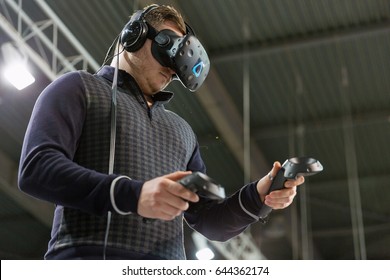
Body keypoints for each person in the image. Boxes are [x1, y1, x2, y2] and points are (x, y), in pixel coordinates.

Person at [18, 4, 304, 260]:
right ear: (135, 35)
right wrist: (133, 194)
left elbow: (209, 221)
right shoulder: (78, 88)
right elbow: (36, 168)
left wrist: (258, 196)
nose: (173, 68)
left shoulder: (182, 131)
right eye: (169, 48)